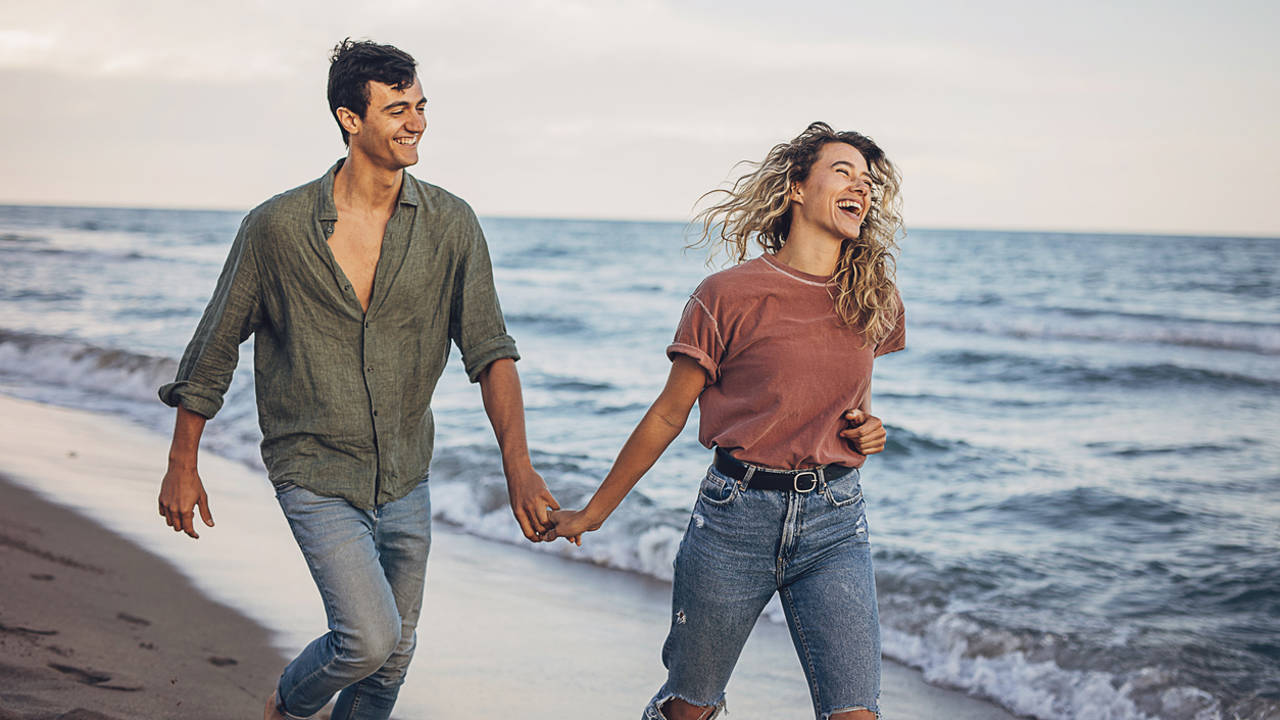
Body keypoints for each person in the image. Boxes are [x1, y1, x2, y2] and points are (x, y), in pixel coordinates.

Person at [155, 39, 562, 720]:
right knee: (369, 639)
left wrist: (519, 468)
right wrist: (181, 463)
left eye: (421, 106)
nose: (417, 123)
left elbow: (491, 352)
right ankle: (285, 706)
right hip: (314, 468)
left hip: (406, 474)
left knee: (392, 662)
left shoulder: (451, 224)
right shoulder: (277, 229)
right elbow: (215, 344)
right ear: (351, 118)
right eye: (397, 108)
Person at [546, 122, 906, 720]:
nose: (860, 189)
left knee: (855, 713)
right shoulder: (727, 294)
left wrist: (870, 428)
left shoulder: (872, 297)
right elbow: (668, 413)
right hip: (735, 518)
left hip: (837, 522)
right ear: (796, 186)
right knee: (691, 707)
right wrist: (594, 511)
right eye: (843, 172)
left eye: (867, 182)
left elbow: (838, 397)